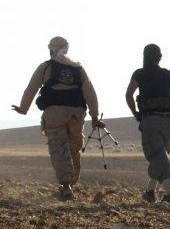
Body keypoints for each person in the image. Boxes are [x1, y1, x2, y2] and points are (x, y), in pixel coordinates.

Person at [12, 36, 103, 201]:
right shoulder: (78, 69)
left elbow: (31, 88)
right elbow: (90, 92)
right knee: (73, 148)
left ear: (51, 50)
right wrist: (95, 116)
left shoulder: (46, 67)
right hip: (77, 115)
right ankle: (69, 184)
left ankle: (66, 186)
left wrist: (23, 108)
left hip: (54, 115)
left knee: (59, 148)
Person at [125, 44, 170, 204]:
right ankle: (150, 191)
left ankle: (169, 193)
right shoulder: (169, 75)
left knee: (155, 154)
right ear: (159, 57)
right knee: (160, 156)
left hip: (151, 119)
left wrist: (136, 114)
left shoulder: (140, 74)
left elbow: (129, 94)